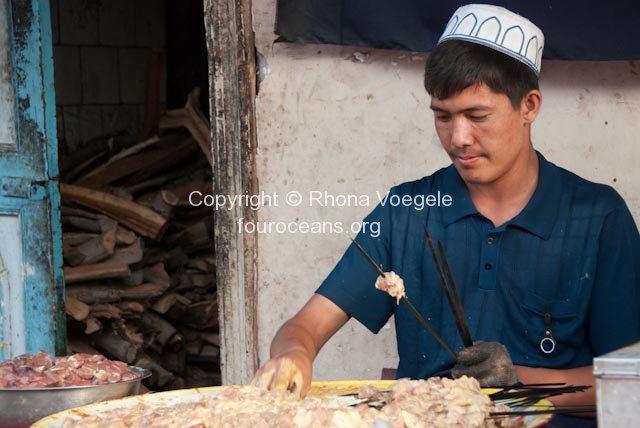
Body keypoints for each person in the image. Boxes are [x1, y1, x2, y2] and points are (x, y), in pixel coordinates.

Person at [252, 2, 640, 416]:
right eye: (443, 117)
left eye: (478, 116)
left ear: (528, 106)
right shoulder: (407, 212)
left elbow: (629, 384)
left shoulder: (597, 217)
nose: (459, 138)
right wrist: (294, 355)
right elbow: (306, 325)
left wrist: (518, 383)